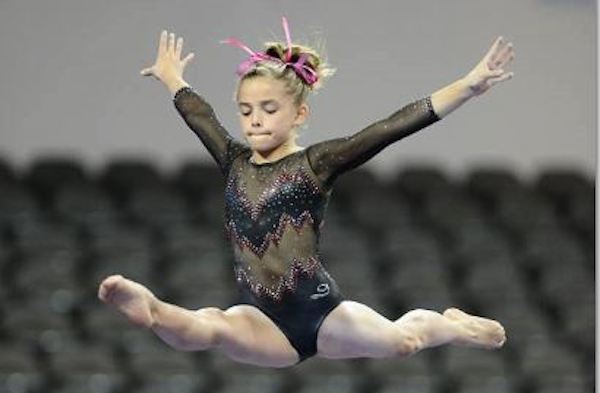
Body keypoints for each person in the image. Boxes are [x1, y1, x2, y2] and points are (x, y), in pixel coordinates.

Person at [98, 17, 514, 368]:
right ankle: (152, 309)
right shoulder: (234, 160)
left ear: (299, 113)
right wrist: (172, 77)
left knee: (403, 342)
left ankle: (453, 325)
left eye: (269, 109)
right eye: (245, 110)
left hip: (322, 314)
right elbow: (199, 115)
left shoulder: (316, 163)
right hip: (262, 320)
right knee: (211, 327)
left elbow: (391, 127)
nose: (255, 120)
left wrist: (468, 86)